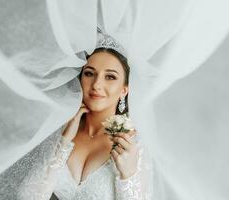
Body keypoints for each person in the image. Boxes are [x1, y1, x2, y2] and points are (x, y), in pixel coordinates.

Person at [18, 29, 153, 200]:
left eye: (110, 77)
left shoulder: (133, 146)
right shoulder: (61, 132)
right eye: (89, 73)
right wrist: (63, 143)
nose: (97, 84)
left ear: (124, 90)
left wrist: (128, 177)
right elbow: (26, 197)